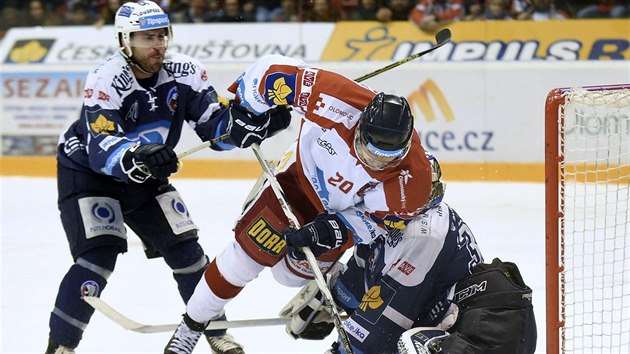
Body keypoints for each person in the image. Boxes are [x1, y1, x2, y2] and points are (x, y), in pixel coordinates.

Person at [45, 2, 291, 354]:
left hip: (145, 174)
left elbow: (216, 130)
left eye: (161, 35)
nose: (158, 44)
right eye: (147, 37)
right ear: (125, 40)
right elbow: (101, 145)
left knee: (188, 252)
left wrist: (258, 123)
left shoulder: (186, 72)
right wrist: (139, 153)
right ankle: (60, 347)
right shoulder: (105, 77)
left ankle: (216, 332)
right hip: (88, 173)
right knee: (96, 259)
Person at [163, 54, 435, 353]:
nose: (375, 161)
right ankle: (189, 327)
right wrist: (247, 111)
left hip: (334, 215)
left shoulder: (414, 179)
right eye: (369, 150)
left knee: (288, 277)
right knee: (243, 260)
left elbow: (379, 221)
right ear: (360, 128)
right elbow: (269, 71)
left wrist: (338, 230)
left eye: (388, 157)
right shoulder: (339, 100)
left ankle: (335, 283)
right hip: (294, 183)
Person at [282, 155, 538, 354]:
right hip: (455, 328)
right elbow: (363, 277)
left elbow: (376, 335)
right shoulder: (386, 219)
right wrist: (331, 301)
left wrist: (342, 345)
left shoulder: (421, 234)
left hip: (481, 340)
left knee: (409, 344)